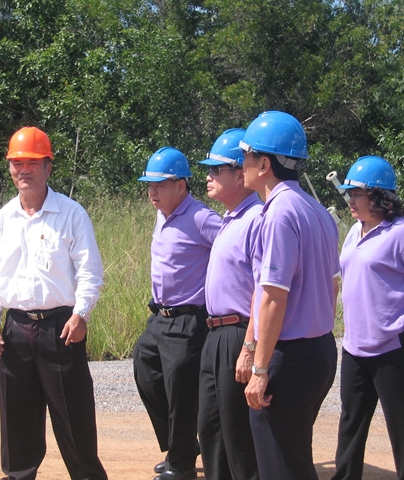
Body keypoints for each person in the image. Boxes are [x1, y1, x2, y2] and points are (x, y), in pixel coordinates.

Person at [0, 126, 107, 480]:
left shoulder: (71, 214)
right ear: (9, 168)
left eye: (33, 163)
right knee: (17, 420)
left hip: (61, 328)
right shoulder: (3, 219)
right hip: (16, 329)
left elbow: (90, 271)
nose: (24, 170)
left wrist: (81, 314)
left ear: (49, 167)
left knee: (73, 419)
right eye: (17, 163)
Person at [237, 111, 340, 480]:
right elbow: (333, 285)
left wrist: (260, 369)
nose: (242, 164)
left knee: (280, 466)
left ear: (264, 164)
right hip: (320, 351)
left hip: (291, 357)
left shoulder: (279, 214)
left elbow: (273, 298)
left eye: (246, 156)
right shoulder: (316, 211)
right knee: (294, 461)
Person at [330, 156, 404, 480]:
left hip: (394, 344)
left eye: (357, 194)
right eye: (350, 194)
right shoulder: (355, 230)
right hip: (355, 345)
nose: (351, 200)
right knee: (351, 420)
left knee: (401, 422)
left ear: (379, 197)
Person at [133, 146, 222, 480]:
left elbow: (234, 250)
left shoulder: (201, 218)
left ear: (181, 185)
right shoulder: (163, 214)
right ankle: (180, 445)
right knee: (145, 368)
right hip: (159, 316)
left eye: (160, 185)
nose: (152, 192)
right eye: (150, 185)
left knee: (181, 392)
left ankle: (181, 464)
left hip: (188, 319)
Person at [197, 129, 262, 480]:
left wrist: (249, 347)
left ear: (240, 175)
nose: (208, 176)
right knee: (211, 429)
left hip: (238, 332)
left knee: (238, 436)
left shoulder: (256, 219)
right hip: (215, 332)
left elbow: (263, 289)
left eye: (216, 169)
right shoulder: (230, 217)